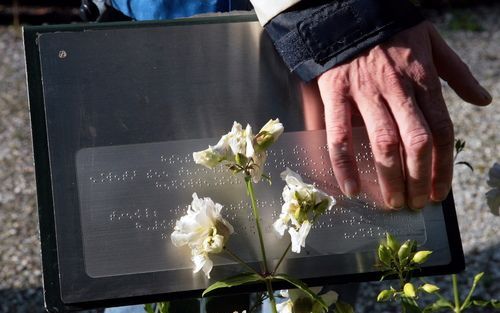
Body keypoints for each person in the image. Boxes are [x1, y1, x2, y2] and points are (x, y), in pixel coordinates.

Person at [99, 0, 491, 211]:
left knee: (330, 246)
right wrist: (338, 18)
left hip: (296, 44)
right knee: (165, 264)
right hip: (172, 22)